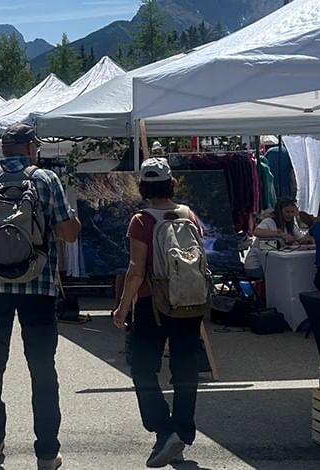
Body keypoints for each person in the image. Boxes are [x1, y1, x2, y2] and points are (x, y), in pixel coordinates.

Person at [0, 123, 81, 470]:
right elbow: (68, 233)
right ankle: (46, 453)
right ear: (30, 148)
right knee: (43, 369)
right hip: (38, 287)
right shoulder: (45, 180)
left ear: (3, 148)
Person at [111, 157, 205, 467]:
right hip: (189, 302)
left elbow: (136, 270)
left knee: (143, 367)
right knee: (185, 367)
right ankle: (182, 430)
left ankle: (163, 429)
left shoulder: (141, 221)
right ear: (170, 184)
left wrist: (122, 308)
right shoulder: (189, 215)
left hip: (153, 302)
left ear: (143, 187)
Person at [243, 198, 309, 279]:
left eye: (292, 212)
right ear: (280, 212)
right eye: (287, 212)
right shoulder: (268, 221)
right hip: (255, 267)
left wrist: (307, 239)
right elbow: (257, 232)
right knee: (285, 274)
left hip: (272, 265)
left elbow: (300, 239)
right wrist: (279, 234)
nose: (290, 215)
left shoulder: (290, 226)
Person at [261, 135, 297, 201]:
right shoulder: (288, 151)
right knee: (286, 203)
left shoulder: (269, 152)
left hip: (272, 183)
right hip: (286, 183)